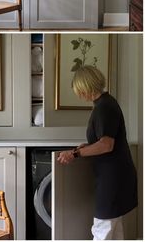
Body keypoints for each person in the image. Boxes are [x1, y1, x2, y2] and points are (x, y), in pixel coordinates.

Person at [57, 65, 138, 240]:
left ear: (85, 86)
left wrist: (75, 154)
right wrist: (87, 146)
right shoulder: (106, 103)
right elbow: (105, 141)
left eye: (78, 89)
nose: (78, 94)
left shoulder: (104, 107)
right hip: (116, 176)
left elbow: (106, 145)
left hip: (113, 178)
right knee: (114, 230)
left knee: (102, 229)